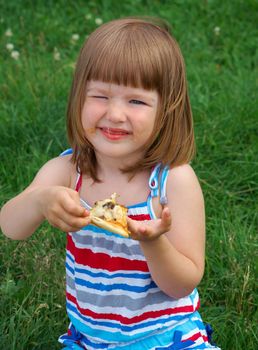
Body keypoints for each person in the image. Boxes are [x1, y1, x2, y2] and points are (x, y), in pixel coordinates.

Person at [0, 17, 220, 350]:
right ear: (78, 97)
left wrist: (152, 242)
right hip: (90, 337)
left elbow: (182, 283)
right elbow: (10, 227)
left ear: (166, 110)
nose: (115, 114)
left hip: (163, 337)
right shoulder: (69, 170)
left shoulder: (172, 183)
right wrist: (40, 200)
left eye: (136, 101)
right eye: (100, 96)